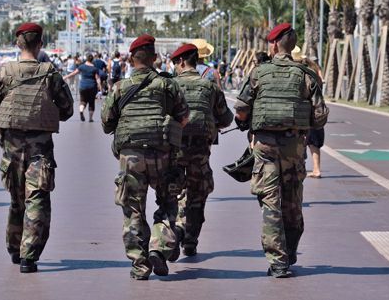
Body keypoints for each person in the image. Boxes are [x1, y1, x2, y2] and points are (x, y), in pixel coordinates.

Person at [234, 23, 329, 278]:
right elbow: (320, 117)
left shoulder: (259, 73)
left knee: (271, 202)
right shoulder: (306, 74)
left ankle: (278, 261)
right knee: (292, 201)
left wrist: (245, 120)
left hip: (265, 147)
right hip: (295, 148)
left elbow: (241, 108)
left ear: (274, 44)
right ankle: (290, 249)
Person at [0, 22, 74, 273]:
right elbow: (67, 109)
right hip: (40, 146)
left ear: (18, 43)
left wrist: (0, 136)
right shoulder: (50, 73)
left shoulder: (5, 72)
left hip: (11, 145)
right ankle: (29, 256)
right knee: (36, 199)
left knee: (16, 199)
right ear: (41, 44)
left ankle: (15, 248)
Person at [101, 34, 189, 280]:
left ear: (131, 59)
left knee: (133, 210)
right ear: (154, 58)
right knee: (169, 204)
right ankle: (159, 249)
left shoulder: (120, 88)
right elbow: (183, 117)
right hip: (163, 154)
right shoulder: (168, 85)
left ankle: (139, 265)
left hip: (131, 157)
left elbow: (107, 123)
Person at [169, 44, 233, 258]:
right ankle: (190, 240)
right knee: (198, 194)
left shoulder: (170, 86)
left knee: (172, 192)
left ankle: (174, 232)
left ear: (181, 62)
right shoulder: (210, 87)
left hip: (175, 150)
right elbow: (226, 118)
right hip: (200, 150)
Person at [64, 54, 102, 122]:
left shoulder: (82, 66)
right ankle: (90, 118)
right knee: (91, 102)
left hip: (83, 86)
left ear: (86, 59)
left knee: (83, 101)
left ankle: (81, 111)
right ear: (92, 60)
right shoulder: (95, 68)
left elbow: (74, 73)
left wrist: (66, 77)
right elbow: (97, 78)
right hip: (92, 86)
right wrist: (100, 86)